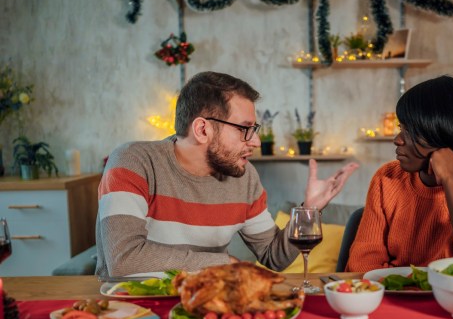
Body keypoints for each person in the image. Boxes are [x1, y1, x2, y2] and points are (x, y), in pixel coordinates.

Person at [96, 71, 358, 278]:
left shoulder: (244, 178)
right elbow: (124, 259)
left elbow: (275, 256)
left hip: (207, 304)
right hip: (132, 309)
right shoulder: (133, 162)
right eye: (245, 129)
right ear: (202, 130)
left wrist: (309, 210)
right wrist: (224, 263)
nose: (255, 142)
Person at [346, 75, 453, 273]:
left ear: (446, 135)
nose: (397, 140)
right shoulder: (387, 178)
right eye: (402, 128)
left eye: (411, 131)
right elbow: (361, 264)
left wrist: (451, 180)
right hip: (395, 298)